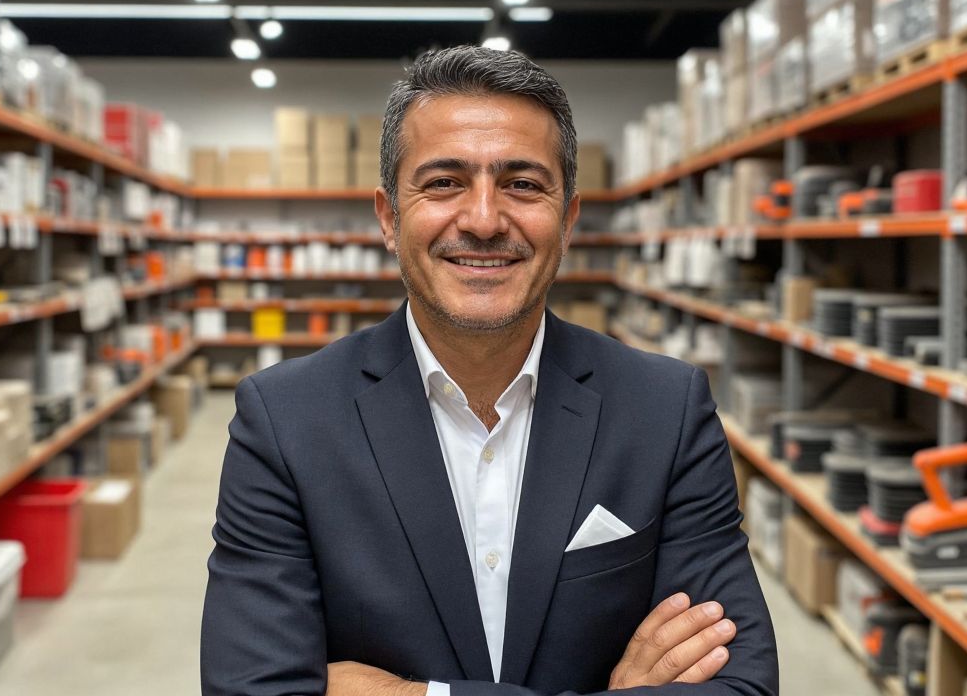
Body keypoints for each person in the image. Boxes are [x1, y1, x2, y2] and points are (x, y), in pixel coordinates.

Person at [201, 45, 778, 696]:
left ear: (568, 221)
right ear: (389, 218)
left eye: (523, 185)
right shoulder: (283, 422)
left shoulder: (666, 409)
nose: (482, 220)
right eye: (444, 182)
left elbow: (741, 686)